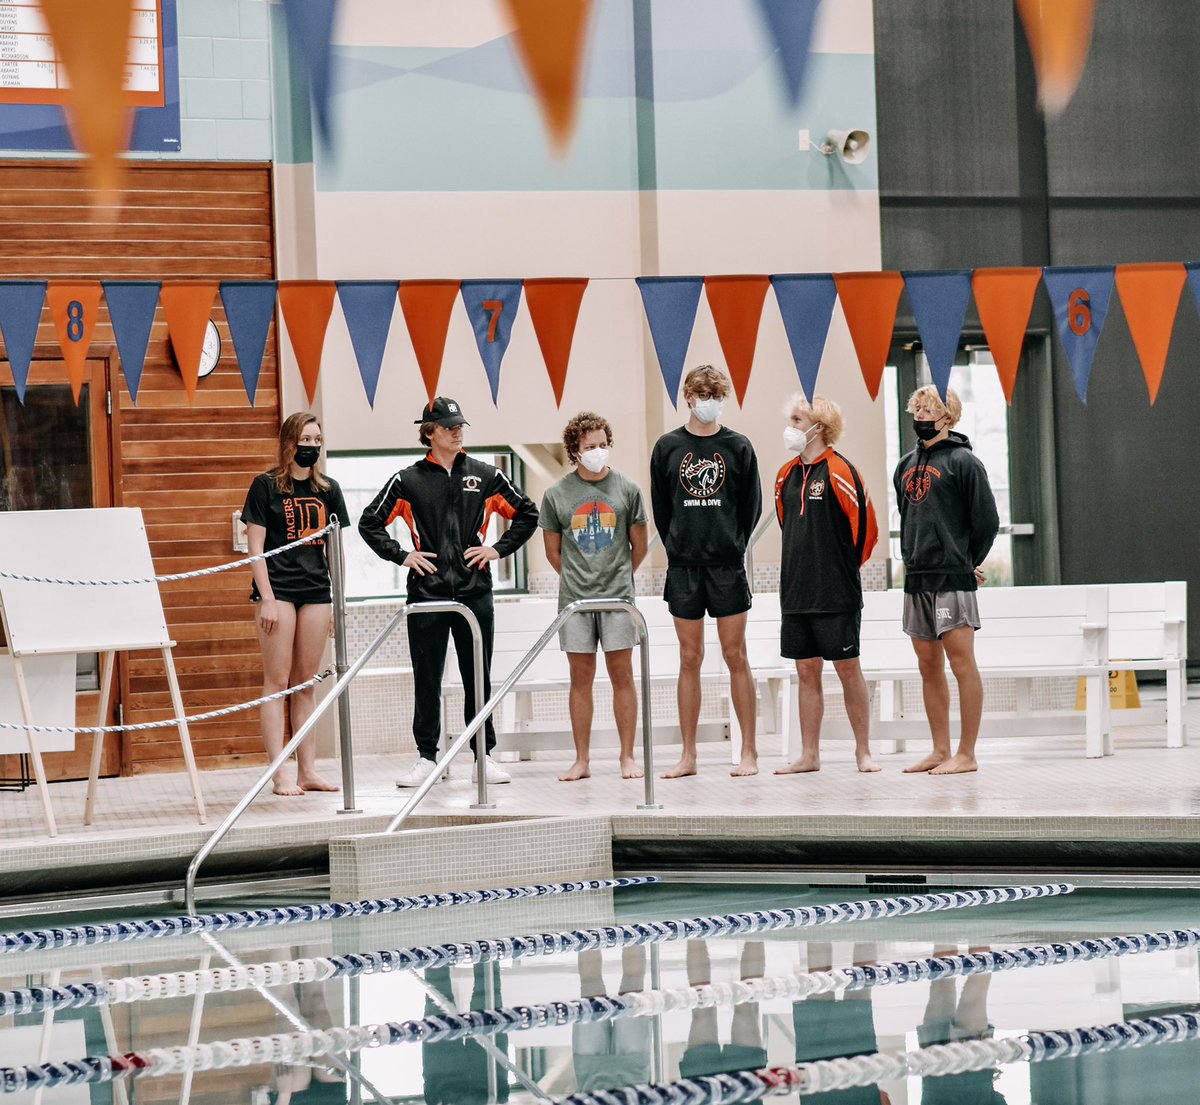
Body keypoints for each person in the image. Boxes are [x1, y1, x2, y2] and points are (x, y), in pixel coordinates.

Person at [358, 397, 538, 788]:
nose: (457, 431)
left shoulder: (486, 475)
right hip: (427, 595)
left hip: (475, 593)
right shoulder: (408, 480)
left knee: (478, 677)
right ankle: (426, 758)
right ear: (429, 433)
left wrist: (497, 549)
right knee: (428, 678)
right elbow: (369, 522)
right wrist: (402, 556)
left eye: (460, 425)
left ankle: (482, 757)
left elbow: (528, 513)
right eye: (449, 426)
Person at [650, 365, 762, 778]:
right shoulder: (667, 447)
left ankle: (748, 751)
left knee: (736, 655)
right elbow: (662, 509)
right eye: (701, 393)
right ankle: (689, 755)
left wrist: (731, 542)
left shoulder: (738, 447)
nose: (708, 399)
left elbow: (751, 506)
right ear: (688, 396)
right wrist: (680, 544)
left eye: (716, 393)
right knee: (689, 657)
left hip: (726, 565)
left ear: (723, 397)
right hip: (684, 566)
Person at [773, 394, 880, 775]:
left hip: (836, 594)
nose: (792, 427)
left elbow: (866, 533)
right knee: (806, 672)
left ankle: (863, 751)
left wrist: (838, 571)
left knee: (848, 668)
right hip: (797, 594)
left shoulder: (841, 471)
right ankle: (809, 754)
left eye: (798, 420)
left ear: (819, 427)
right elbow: (790, 526)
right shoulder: (784, 475)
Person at [894, 385, 999, 775]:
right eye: (917, 408)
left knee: (962, 663)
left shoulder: (964, 462)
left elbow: (986, 522)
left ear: (948, 417)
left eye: (929, 409)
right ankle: (939, 749)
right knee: (927, 666)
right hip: (917, 577)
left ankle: (966, 754)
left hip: (953, 578)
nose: (921, 415)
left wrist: (966, 561)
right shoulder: (904, 465)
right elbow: (911, 518)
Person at [242, 412, 347, 797]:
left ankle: (308, 771)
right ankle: (279, 774)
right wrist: (266, 597)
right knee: (276, 683)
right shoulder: (265, 487)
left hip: (316, 590)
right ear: (290, 442)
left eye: (317, 439)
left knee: (306, 685)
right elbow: (255, 549)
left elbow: (336, 551)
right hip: (279, 591)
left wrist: (338, 601)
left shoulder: (328, 489)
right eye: (306, 439)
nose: (312, 446)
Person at [540, 412, 649, 782]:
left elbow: (640, 545)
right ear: (574, 451)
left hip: (618, 599)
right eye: (590, 446)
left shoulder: (628, 489)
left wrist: (616, 578)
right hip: (576, 602)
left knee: (623, 676)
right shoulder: (557, 495)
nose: (598, 451)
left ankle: (627, 757)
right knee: (580, 678)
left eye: (603, 444)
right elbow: (553, 553)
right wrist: (579, 579)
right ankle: (582, 760)